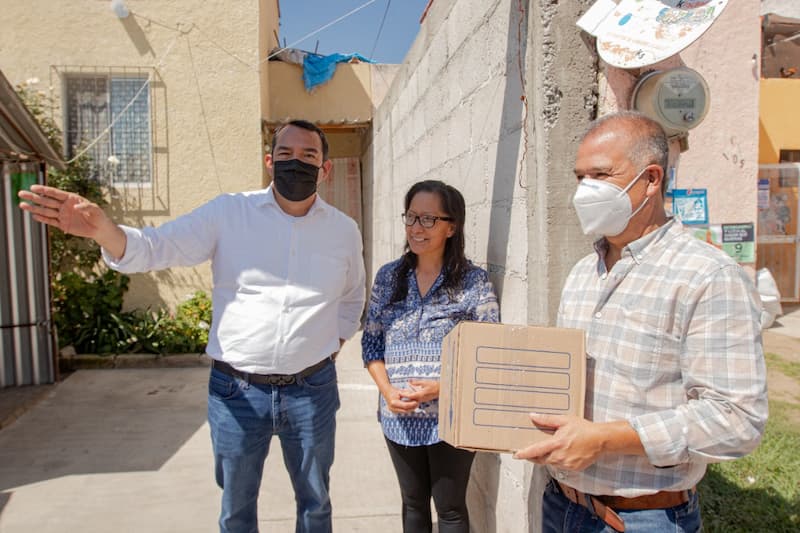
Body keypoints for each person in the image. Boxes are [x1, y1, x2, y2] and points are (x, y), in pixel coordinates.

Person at [18, 120, 366, 533]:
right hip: (237, 392)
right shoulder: (228, 214)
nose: (297, 163)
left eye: (309, 156)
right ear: (269, 162)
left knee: (315, 504)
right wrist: (104, 231)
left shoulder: (343, 231)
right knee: (236, 510)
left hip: (312, 392)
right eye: (286, 155)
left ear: (325, 168)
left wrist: (332, 345)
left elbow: (352, 297)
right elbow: (157, 246)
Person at [513, 111, 768, 532]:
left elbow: (737, 419)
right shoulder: (583, 273)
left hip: (643, 518)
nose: (584, 191)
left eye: (600, 175)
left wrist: (605, 440)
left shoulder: (707, 277)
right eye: (580, 177)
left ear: (651, 180)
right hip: (561, 507)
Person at [361, 180, 500, 533]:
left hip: (450, 416)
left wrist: (441, 386)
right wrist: (388, 393)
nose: (416, 228)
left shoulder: (473, 282)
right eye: (411, 217)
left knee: (451, 509)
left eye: (428, 219)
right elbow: (372, 345)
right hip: (399, 414)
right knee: (412, 503)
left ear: (451, 226)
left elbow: (489, 352)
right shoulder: (389, 278)